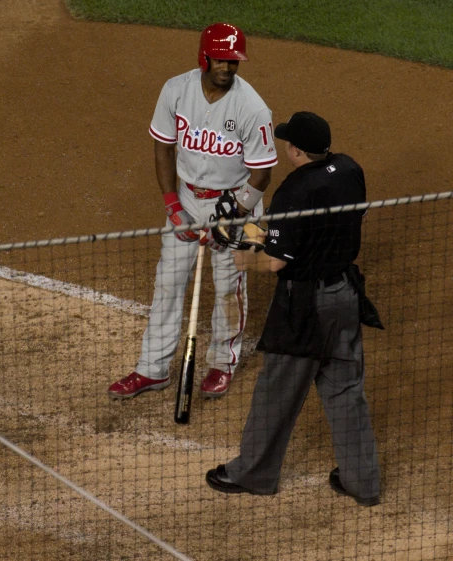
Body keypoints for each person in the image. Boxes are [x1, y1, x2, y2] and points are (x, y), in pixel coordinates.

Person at [205, 111, 381, 506]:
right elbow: (311, 226)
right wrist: (250, 232)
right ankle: (363, 481)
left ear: (296, 150)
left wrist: (237, 251)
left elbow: (274, 262)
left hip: (305, 307)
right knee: (346, 390)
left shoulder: (293, 191)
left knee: (276, 391)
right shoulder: (349, 168)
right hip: (345, 295)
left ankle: (251, 473)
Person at [108, 22, 278, 400]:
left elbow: (262, 172)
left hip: (239, 205)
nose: (227, 68)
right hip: (187, 198)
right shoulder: (176, 91)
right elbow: (163, 148)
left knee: (228, 288)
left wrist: (232, 215)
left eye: (233, 61)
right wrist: (172, 206)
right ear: (204, 56)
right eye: (221, 59)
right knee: (168, 282)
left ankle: (222, 363)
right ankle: (151, 369)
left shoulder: (252, 107)